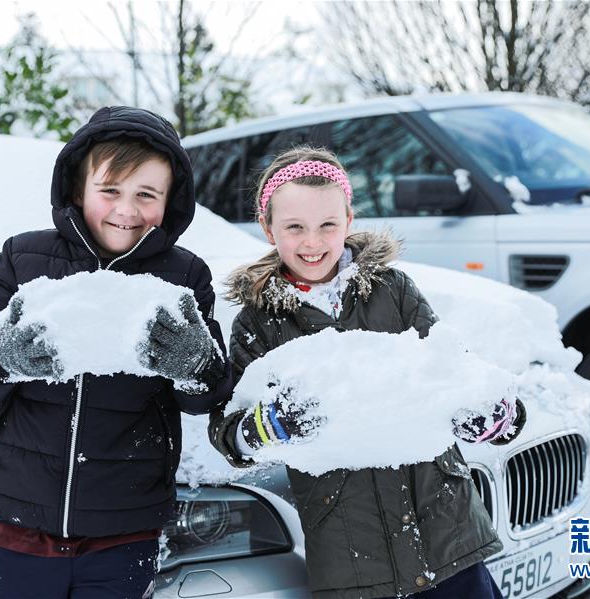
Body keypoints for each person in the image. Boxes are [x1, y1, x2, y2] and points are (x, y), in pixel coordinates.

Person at [208, 146, 525, 599]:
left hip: (445, 532)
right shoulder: (259, 323)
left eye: (327, 226)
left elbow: (455, 371)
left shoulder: (393, 292)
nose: (312, 242)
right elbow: (229, 431)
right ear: (267, 227)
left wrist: (494, 415)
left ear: (349, 221)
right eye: (294, 227)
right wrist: (268, 424)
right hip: (352, 553)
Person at [0, 106, 232, 599]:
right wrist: (0, 355)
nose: (127, 209)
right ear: (79, 190)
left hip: (124, 529)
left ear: (171, 203)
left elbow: (206, 394)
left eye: (147, 195)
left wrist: (195, 365)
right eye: (110, 191)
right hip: (19, 519)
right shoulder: (22, 259)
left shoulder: (184, 276)